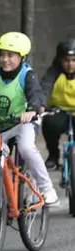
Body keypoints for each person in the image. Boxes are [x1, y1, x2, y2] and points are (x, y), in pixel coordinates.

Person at [0, 32, 58, 205]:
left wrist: (32, 110)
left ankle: (47, 188)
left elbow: (35, 95)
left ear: (22, 57)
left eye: (10, 55)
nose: (5, 60)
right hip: (0, 125)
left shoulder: (27, 75)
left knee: (26, 148)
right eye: (2, 55)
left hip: (23, 123)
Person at [40, 39, 75, 169]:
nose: (70, 64)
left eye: (74, 60)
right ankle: (53, 156)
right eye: (66, 60)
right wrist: (41, 105)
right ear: (60, 60)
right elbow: (45, 87)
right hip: (59, 111)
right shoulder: (54, 72)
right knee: (49, 122)